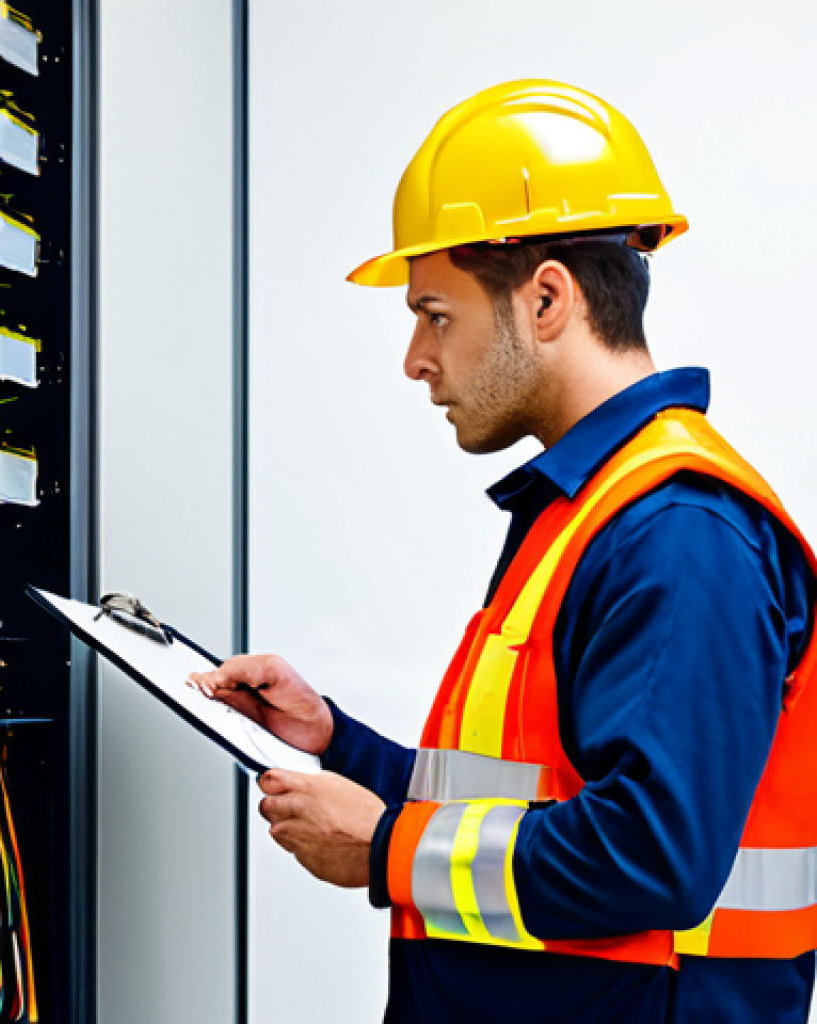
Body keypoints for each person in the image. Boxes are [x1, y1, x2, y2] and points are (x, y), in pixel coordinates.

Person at [189, 80, 817, 1023]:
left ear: (548, 299)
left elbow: (654, 856)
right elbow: (527, 799)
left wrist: (386, 848)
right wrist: (339, 744)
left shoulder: (680, 532)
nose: (415, 357)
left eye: (435, 313)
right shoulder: (589, 512)